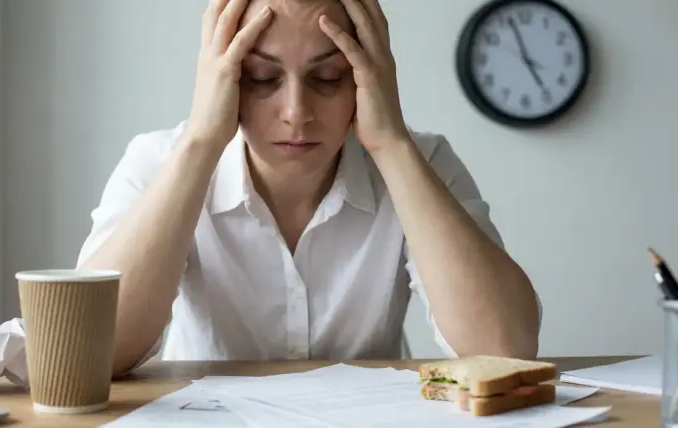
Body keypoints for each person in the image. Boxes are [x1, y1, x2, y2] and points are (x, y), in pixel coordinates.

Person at [77, 0, 542, 377]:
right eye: (262, 78)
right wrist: (200, 143)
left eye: (328, 77)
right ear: (225, 77)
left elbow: (505, 349)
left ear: (367, 77)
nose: (296, 112)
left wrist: (392, 144)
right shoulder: (158, 162)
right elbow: (89, 354)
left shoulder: (422, 162)